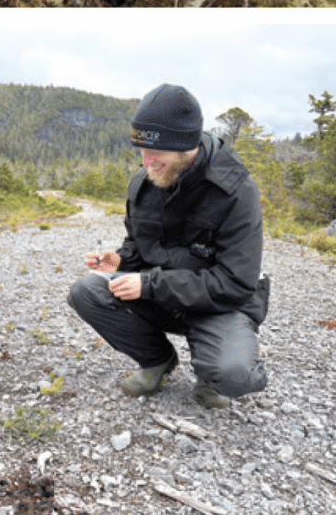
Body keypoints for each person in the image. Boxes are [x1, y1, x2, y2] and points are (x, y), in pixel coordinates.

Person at [68, 84, 269, 409]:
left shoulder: (235, 190)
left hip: (217, 304)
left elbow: (235, 283)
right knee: (86, 291)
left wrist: (149, 284)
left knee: (234, 375)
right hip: (163, 296)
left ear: (184, 145)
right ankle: (157, 360)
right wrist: (119, 260)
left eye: (155, 153)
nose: (146, 163)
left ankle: (212, 367)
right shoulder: (144, 182)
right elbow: (138, 246)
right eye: (141, 151)